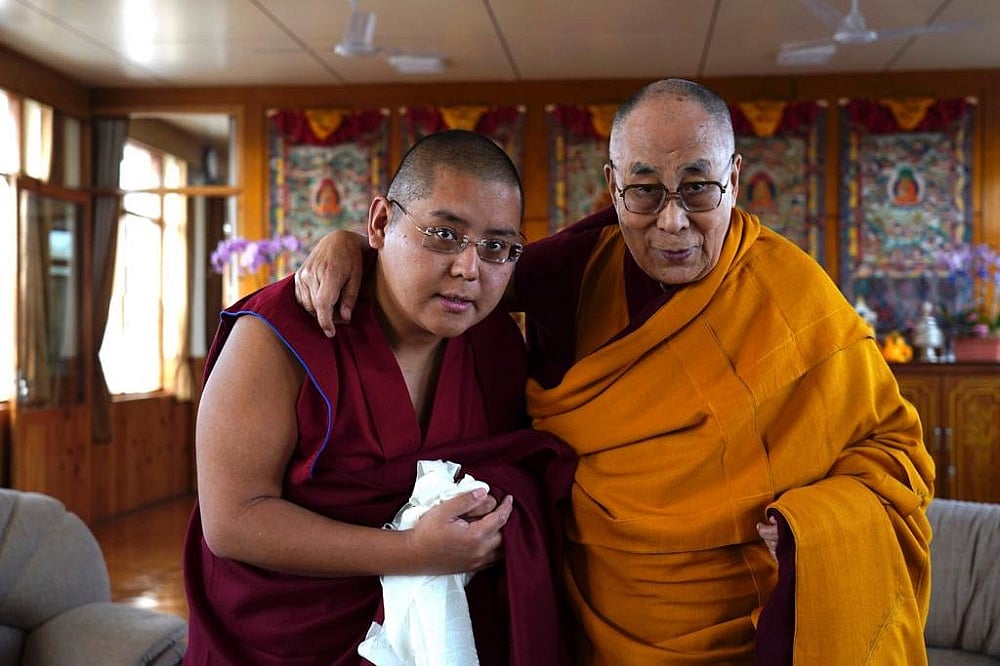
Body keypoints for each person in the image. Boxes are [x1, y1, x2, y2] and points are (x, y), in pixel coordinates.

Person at [294, 79, 935, 664]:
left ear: (734, 178)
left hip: (743, 624)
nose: (672, 220)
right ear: (613, 184)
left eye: (698, 187)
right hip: (596, 625)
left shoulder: (794, 297)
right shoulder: (580, 269)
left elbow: (897, 451)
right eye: (646, 189)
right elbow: (470, 270)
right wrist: (352, 242)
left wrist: (816, 526)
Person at [183, 129, 576, 665]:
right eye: (443, 234)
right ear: (381, 223)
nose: (469, 269)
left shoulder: (497, 344)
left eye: (497, 248)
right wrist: (414, 553)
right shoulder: (279, 334)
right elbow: (231, 522)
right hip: (277, 642)